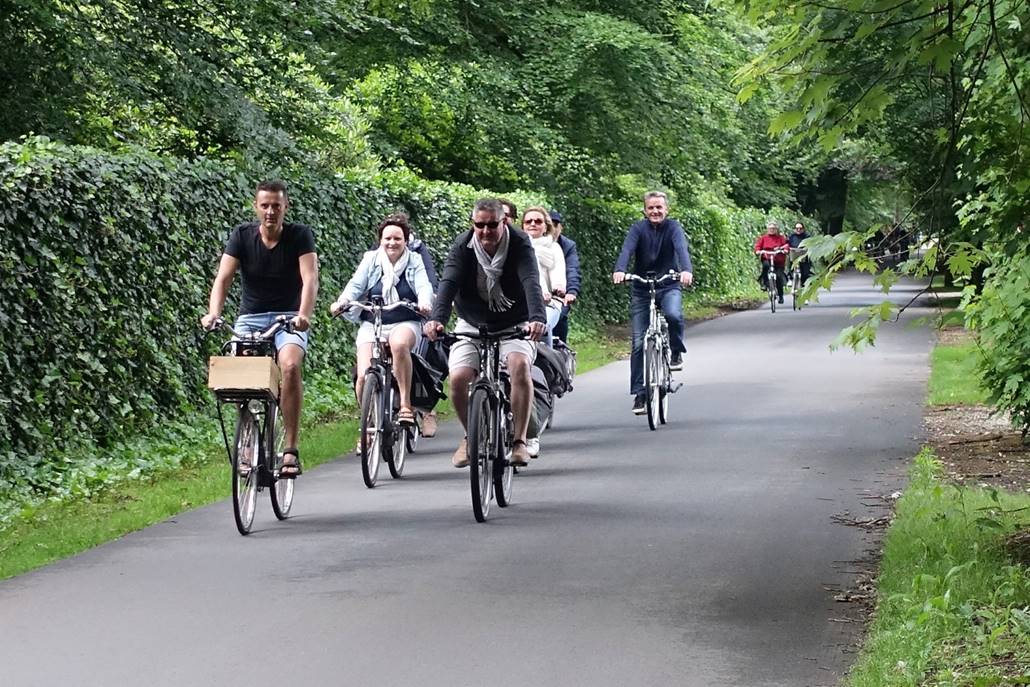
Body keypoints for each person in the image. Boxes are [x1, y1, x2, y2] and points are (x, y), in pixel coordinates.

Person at [201, 180, 319, 478]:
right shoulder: (241, 236)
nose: (270, 212)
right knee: (237, 379)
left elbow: (310, 279)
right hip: (250, 317)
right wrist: (214, 313)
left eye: (276, 206)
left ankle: (290, 449)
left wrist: (303, 315)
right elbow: (223, 279)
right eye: (264, 205)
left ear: (285, 207)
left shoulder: (299, 235)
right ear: (256, 207)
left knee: (290, 366)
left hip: (288, 316)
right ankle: (248, 436)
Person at [423, 198, 547, 468]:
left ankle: (519, 442)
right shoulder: (462, 246)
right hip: (472, 322)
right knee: (457, 378)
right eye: (480, 225)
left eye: (492, 225)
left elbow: (530, 280)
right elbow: (448, 284)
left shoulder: (519, 242)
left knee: (518, 365)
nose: (486, 231)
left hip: (515, 321)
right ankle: (471, 437)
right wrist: (437, 320)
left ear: (504, 222)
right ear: (473, 224)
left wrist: (537, 317)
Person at [331, 213, 434, 445]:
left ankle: (406, 405)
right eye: (387, 238)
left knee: (399, 345)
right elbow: (355, 285)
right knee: (363, 375)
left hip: (404, 320)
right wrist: (342, 301)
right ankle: (367, 425)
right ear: (380, 240)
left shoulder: (414, 260)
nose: (392, 243)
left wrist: (425, 302)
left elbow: (424, 285)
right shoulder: (371, 259)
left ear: (405, 240)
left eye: (397, 238)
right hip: (374, 322)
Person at [612, 191, 693, 415]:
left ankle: (676, 350)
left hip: (668, 283)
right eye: (651, 208)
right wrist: (620, 270)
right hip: (642, 287)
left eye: (659, 207)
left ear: (667, 209)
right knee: (638, 342)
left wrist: (685, 270)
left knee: (674, 315)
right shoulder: (638, 229)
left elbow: (681, 249)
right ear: (645, 210)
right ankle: (640, 393)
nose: (655, 211)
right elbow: (627, 249)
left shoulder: (674, 228)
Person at [522, 207, 566, 347]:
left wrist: (556, 287)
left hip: (549, 302)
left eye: (538, 221)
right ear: (523, 226)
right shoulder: (518, 248)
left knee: (542, 325)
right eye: (528, 221)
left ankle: (549, 364)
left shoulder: (554, 248)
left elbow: (558, 272)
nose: (533, 224)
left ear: (546, 226)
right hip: (522, 303)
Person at [549, 209, 581, 343]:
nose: (553, 229)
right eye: (550, 225)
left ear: (560, 227)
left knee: (559, 317)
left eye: (556, 225)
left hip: (558, 295)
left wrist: (571, 291)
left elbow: (572, 269)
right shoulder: (529, 243)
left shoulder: (567, 246)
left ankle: (560, 355)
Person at [755, 221, 790, 303]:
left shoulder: (781, 238)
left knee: (778, 277)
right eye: (770, 229)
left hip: (778, 260)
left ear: (776, 229)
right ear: (768, 229)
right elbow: (758, 246)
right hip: (767, 257)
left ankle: (780, 295)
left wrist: (784, 250)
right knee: (765, 267)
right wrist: (758, 251)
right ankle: (765, 284)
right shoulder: (763, 238)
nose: (772, 230)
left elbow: (786, 245)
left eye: (773, 229)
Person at [787, 221, 811, 286]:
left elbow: (811, 245)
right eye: (797, 228)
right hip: (794, 255)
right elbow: (787, 244)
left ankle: (805, 283)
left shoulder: (807, 236)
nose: (798, 230)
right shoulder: (791, 237)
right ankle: (791, 279)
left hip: (804, 256)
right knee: (791, 265)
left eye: (800, 228)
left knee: (805, 272)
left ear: (803, 229)